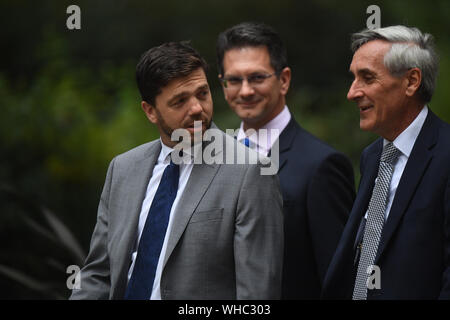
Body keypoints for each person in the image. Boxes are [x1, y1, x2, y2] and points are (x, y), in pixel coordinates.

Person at [70, 41, 284, 300]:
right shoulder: (123, 169)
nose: (196, 108)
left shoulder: (251, 171)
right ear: (150, 111)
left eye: (202, 93)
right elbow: (98, 275)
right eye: (180, 100)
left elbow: (257, 295)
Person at [216, 22, 356, 299]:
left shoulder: (322, 166)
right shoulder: (215, 159)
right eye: (234, 80)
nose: (244, 91)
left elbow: (339, 279)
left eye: (256, 77)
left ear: (284, 80)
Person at [322, 25, 450, 300]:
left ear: (411, 81)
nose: (352, 92)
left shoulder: (445, 155)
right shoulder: (373, 157)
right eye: (353, 78)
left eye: (367, 78)